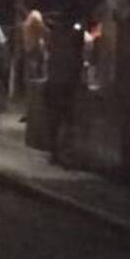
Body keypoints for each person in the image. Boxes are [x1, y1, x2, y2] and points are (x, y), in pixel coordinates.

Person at [44, 9, 85, 164]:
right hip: (66, 82)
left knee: (55, 119)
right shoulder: (73, 36)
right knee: (67, 119)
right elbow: (77, 60)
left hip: (56, 81)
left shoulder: (55, 36)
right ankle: (63, 152)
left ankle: (56, 151)